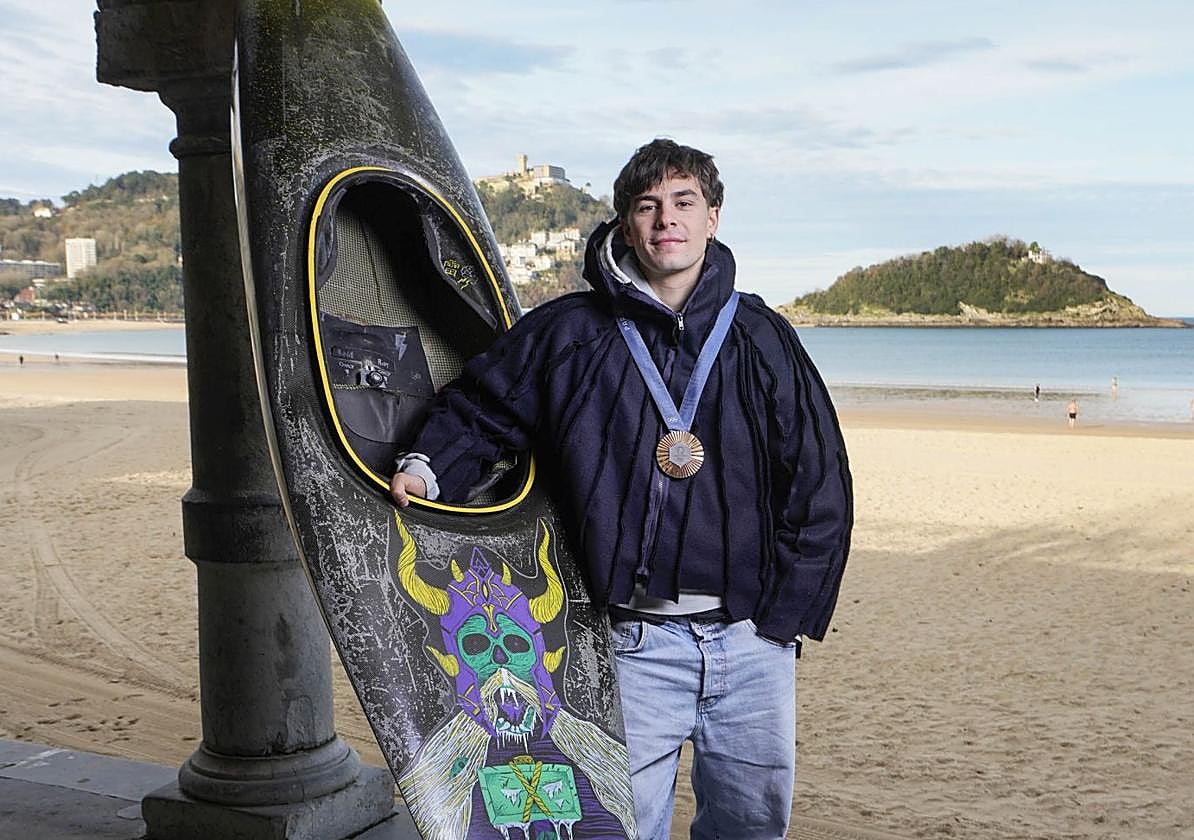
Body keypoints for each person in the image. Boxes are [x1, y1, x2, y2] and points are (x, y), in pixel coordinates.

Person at [390, 139, 853, 839]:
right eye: (648, 206)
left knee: (753, 829)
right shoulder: (572, 332)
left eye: (683, 203)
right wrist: (427, 467)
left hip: (751, 642)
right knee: (623, 827)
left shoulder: (762, 337)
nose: (666, 219)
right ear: (626, 224)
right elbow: (485, 408)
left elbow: (820, 487)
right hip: (632, 647)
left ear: (713, 218)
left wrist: (780, 624)